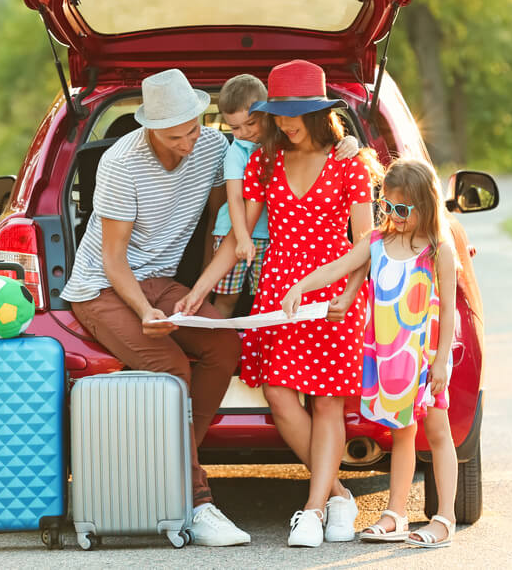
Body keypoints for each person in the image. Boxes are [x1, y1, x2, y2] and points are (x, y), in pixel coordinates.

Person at [177, 59, 381, 547]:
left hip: (329, 298)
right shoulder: (264, 161)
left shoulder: (348, 164)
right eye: (280, 113)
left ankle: (311, 510)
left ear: (319, 112)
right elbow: (236, 239)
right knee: (281, 397)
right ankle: (336, 494)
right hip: (278, 299)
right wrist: (199, 291)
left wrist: (329, 287)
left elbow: (364, 243)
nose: (286, 123)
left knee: (328, 404)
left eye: (296, 113)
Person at [59, 68, 250, 546]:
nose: (188, 142)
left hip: (163, 281)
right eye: (175, 136)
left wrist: (203, 292)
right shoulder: (121, 164)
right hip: (100, 288)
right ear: (148, 129)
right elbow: (112, 259)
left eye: (193, 128)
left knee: (223, 345)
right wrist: (145, 311)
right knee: (170, 368)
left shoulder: (211, 147)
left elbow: (220, 223)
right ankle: (197, 501)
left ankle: (171, 468)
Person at [281, 158, 460, 549]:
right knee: (402, 432)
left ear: (425, 206)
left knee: (438, 430)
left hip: (425, 355)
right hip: (390, 357)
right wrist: (300, 287)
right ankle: (395, 513)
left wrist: (442, 359)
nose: (393, 217)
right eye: (387, 208)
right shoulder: (378, 243)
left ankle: (445, 517)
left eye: (402, 210)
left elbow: (448, 309)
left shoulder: (437, 251)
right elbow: (338, 267)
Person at [211, 74, 360, 317]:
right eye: (234, 128)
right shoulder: (242, 153)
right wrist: (241, 237)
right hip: (242, 234)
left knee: (264, 298)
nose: (243, 133)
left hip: (274, 242)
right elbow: (236, 198)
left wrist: (351, 142)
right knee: (232, 298)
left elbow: (328, 144)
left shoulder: (288, 141)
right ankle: (222, 342)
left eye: (250, 124)